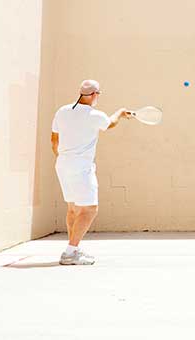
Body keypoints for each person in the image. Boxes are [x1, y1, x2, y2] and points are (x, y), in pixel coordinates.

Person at [50, 79, 130, 265]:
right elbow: (110, 124)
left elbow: (54, 140)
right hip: (81, 168)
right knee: (90, 209)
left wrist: (63, 158)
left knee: (73, 208)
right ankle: (70, 253)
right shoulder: (96, 115)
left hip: (62, 164)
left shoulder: (62, 112)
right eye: (98, 95)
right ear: (94, 95)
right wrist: (120, 112)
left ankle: (74, 249)